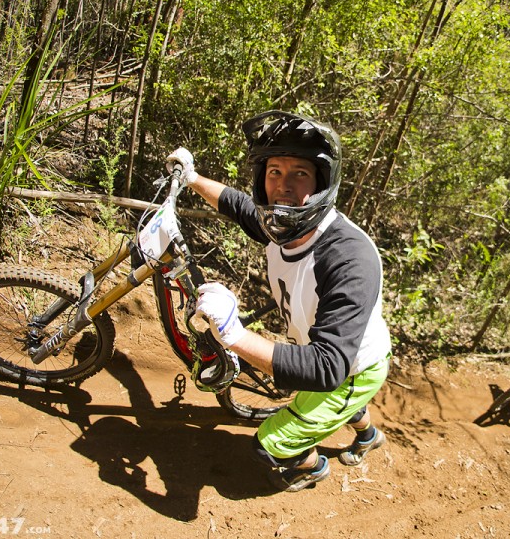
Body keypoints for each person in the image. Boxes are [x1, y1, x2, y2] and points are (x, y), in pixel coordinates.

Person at [166, 111, 392, 492]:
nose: (282, 186)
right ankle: (368, 435)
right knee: (335, 403)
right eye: (274, 172)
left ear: (321, 182)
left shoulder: (349, 258)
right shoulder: (284, 225)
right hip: (332, 353)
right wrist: (191, 178)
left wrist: (232, 335)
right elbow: (238, 205)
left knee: (272, 442)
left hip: (353, 368)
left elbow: (326, 369)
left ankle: (311, 467)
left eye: (299, 174)